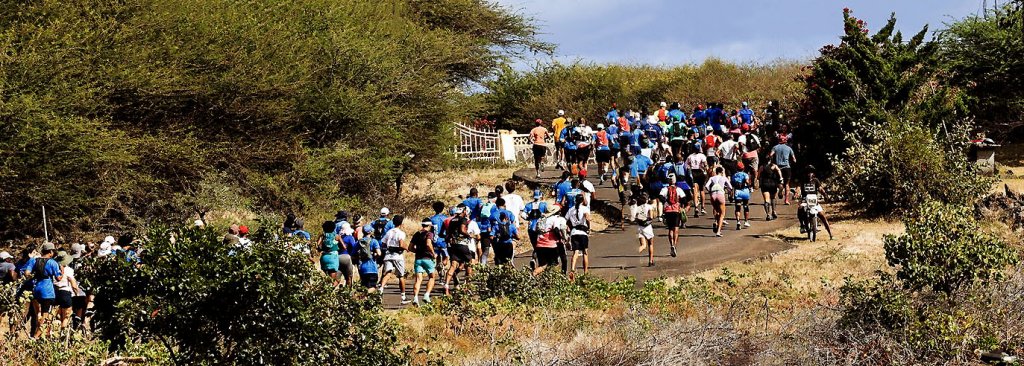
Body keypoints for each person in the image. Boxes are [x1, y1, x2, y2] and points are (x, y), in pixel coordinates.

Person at [30, 242, 62, 338]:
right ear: (51, 252)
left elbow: (27, 272)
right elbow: (58, 278)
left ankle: (37, 332)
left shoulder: (34, 261)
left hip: (36, 289)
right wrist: (62, 271)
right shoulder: (53, 262)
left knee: (38, 314)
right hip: (47, 291)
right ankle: (36, 336)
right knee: (45, 315)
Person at [378, 215, 410, 304]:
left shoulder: (389, 232)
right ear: (401, 223)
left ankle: (381, 289)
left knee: (388, 273)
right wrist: (407, 248)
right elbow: (401, 244)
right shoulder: (401, 233)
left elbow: (383, 243)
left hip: (388, 255)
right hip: (398, 256)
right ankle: (403, 297)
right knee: (401, 276)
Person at [444, 205, 475, 294]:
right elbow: (462, 230)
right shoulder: (463, 219)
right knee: (469, 263)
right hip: (462, 244)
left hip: (453, 245)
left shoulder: (452, 220)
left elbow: (448, 232)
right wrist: (469, 235)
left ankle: (446, 287)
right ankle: (467, 286)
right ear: (464, 211)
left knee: (453, 265)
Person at [798, 166, 834, 240]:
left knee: (822, 215)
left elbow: (820, 189)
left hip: (814, 201)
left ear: (813, 173)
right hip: (805, 200)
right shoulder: (803, 181)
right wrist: (797, 194)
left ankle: (831, 234)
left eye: (811, 172)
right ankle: (802, 225)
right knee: (800, 209)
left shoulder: (816, 181)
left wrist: (825, 195)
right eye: (808, 172)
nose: (809, 174)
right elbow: (798, 189)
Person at [532, 205, 568, 275]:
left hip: (540, 244)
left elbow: (535, 230)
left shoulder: (540, 219)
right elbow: (556, 229)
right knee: (554, 264)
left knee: (543, 265)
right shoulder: (554, 219)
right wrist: (561, 238)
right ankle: (555, 280)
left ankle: (534, 274)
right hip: (550, 244)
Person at [409, 219, 437, 305]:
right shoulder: (429, 234)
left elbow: (410, 247)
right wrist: (433, 254)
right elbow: (428, 244)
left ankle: (415, 298)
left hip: (418, 259)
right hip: (427, 258)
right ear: (429, 226)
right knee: (432, 277)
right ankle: (427, 295)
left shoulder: (417, 234)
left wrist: (417, 251)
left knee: (418, 279)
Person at [660, 174, 687, 258]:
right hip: (676, 210)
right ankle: (674, 245)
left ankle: (671, 244)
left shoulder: (664, 189)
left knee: (670, 229)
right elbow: (684, 200)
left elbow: (660, 197)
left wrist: (666, 202)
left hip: (668, 210)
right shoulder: (679, 189)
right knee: (676, 229)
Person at [521, 190, 548, 269]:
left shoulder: (528, 205)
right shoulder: (543, 205)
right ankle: (539, 261)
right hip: (540, 227)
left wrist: (528, 218)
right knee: (540, 245)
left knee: (535, 245)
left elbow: (522, 214)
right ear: (540, 196)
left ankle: (534, 259)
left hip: (531, 227)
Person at [53, 250, 79, 332]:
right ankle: (63, 335)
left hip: (55, 293)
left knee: (57, 316)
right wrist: (76, 293)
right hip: (65, 293)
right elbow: (73, 284)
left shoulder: (54, 269)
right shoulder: (68, 270)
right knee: (66, 317)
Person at [705, 167, 734, 237]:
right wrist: (728, 190)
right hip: (720, 195)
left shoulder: (712, 178)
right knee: (722, 214)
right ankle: (718, 231)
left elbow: (706, 186)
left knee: (717, 211)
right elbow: (730, 187)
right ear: (721, 172)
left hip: (713, 195)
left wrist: (710, 191)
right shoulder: (724, 178)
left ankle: (716, 222)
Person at [566, 194, 590, 277]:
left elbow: (566, 220)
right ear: (582, 200)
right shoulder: (584, 208)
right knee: (585, 252)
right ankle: (585, 272)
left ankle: (572, 270)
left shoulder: (571, 209)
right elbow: (587, 218)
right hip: (583, 232)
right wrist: (589, 227)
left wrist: (569, 229)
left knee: (575, 252)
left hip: (574, 232)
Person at [768, 136, 796, 205]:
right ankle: (786, 200)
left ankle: (780, 189)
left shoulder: (775, 147)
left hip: (778, 167)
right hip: (787, 167)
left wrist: (771, 162)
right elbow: (794, 159)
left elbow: (770, 155)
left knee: (777, 182)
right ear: (785, 141)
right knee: (787, 184)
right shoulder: (789, 148)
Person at [490, 199, 519, 266]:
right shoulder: (509, 213)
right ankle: (509, 263)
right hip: (508, 239)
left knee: (498, 255)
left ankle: (499, 268)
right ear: (504, 204)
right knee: (507, 257)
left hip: (497, 239)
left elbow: (490, 227)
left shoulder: (493, 215)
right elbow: (513, 223)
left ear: (496, 205)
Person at [631, 193, 656, 266]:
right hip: (647, 227)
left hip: (639, 228)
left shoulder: (637, 208)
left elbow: (633, 218)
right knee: (650, 244)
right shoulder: (648, 207)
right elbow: (651, 217)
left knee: (643, 245)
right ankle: (650, 261)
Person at [356, 226, 382, 291]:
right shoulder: (374, 241)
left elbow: (353, 255)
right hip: (372, 268)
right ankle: (363, 297)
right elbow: (379, 253)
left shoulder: (359, 242)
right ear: (370, 232)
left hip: (362, 268)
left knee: (364, 287)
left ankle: (362, 298)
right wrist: (374, 256)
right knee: (372, 287)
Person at [428, 201, 450, 281]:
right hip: (444, 241)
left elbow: (430, 231)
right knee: (446, 257)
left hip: (435, 241)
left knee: (437, 257)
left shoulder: (431, 219)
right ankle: (443, 265)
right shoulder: (446, 218)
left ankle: (440, 275)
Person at [686, 145, 709, 218]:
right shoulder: (702, 156)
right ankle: (702, 207)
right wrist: (705, 169)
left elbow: (687, 165)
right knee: (702, 190)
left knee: (695, 190)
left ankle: (696, 207)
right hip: (700, 172)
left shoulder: (690, 156)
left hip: (693, 172)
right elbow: (705, 164)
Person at [317, 221, 342, 285]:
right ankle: (328, 292)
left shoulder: (323, 236)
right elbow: (344, 247)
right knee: (333, 280)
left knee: (327, 278)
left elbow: (318, 245)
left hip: (324, 257)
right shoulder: (337, 236)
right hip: (333, 258)